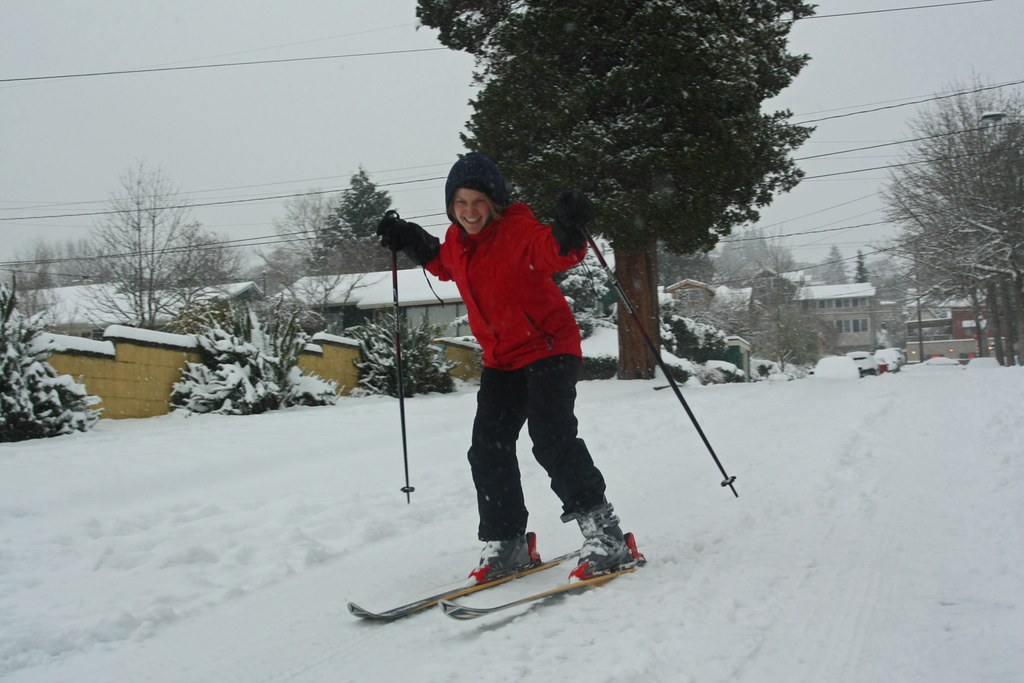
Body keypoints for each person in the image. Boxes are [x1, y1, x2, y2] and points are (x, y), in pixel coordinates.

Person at [376, 152, 641, 583]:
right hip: (502, 360)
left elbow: (553, 250)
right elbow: (443, 263)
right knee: (487, 448)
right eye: (460, 203)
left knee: (551, 437)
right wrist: (407, 237)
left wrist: (569, 229)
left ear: (494, 201)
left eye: (478, 202)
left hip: (549, 349)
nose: (470, 212)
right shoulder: (458, 242)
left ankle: (606, 534)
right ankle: (509, 542)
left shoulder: (518, 231)